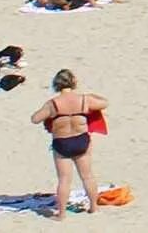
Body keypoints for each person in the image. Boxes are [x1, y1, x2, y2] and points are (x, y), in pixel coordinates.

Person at [31, 69, 107, 220]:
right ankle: (94, 207)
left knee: (64, 179)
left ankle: (62, 214)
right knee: (87, 176)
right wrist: (91, 96)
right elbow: (104, 103)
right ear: (73, 82)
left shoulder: (53, 104)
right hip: (81, 140)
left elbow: (35, 119)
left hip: (62, 143)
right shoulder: (85, 100)